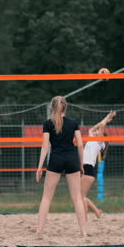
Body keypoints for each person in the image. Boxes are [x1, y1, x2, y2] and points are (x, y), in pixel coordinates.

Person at [36, 96, 87, 236]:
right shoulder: (73, 122)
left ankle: (39, 231)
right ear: (66, 107)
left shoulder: (48, 123)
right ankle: (84, 232)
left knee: (46, 197)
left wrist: (39, 167)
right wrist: (81, 164)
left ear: (52, 107)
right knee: (77, 197)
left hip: (56, 159)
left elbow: (45, 146)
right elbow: (80, 145)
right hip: (72, 159)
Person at [82, 111, 116, 219]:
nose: (96, 131)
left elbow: (101, 126)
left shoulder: (99, 142)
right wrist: (103, 121)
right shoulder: (93, 139)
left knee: (80, 196)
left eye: (98, 131)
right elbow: (91, 129)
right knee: (79, 196)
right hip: (83, 168)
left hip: (88, 169)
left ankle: (85, 218)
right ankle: (97, 211)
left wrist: (106, 118)